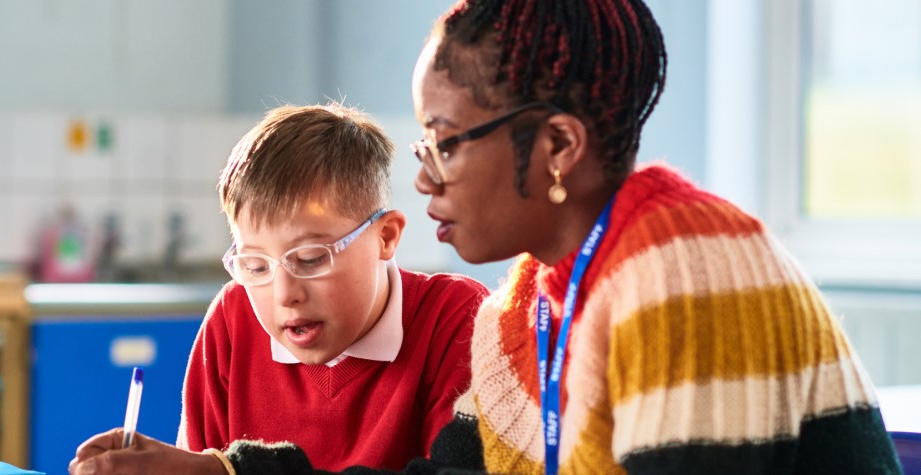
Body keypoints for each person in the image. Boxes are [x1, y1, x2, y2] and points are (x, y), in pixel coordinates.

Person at [71, 0, 903, 473]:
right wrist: (217, 471)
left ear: (557, 147)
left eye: (445, 139)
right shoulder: (523, 310)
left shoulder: (682, 265)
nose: (425, 173)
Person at [70, 103, 488, 474]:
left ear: (385, 236)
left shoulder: (456, 318)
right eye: (254, 265)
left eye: (310, 259)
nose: (284, 293)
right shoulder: (233, 320)